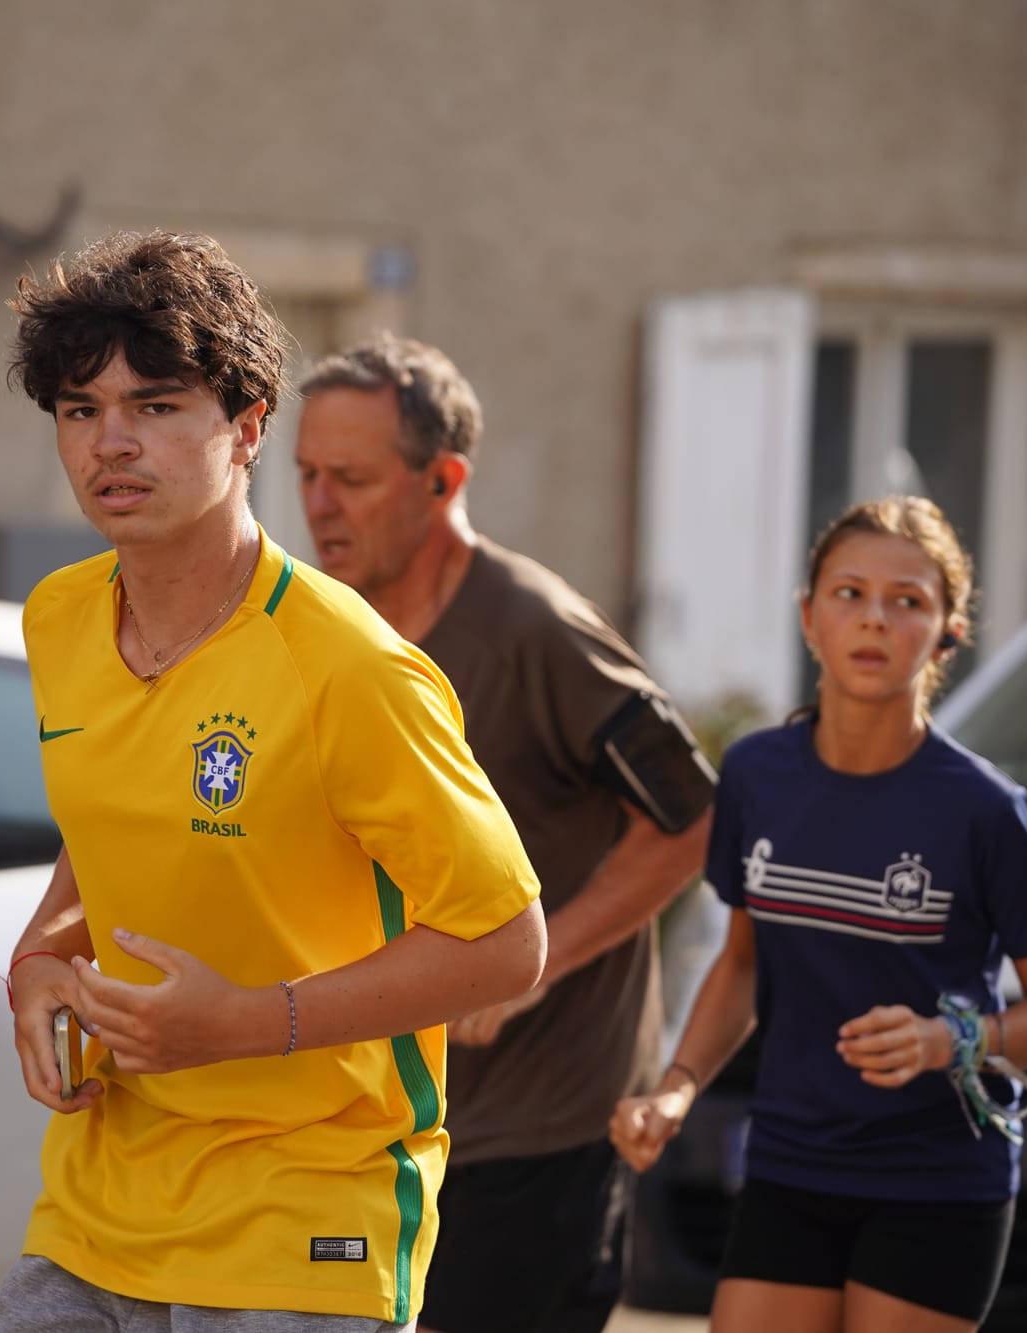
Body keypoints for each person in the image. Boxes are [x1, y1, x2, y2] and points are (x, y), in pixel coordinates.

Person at [0, 231, 546, 1333]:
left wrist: (250, 1021)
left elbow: (506, 944)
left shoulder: (350, 665)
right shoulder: (58, 617)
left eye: (155, 406)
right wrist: (40, 951)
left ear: (245, 429)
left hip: (305, 1218)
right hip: (101, 1203)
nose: (112, 442)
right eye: (78, 409)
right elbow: (111, 820)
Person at [294, 334, 715, 1333]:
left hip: (537, 1132)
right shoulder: (327, 633)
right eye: (305, 473)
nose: (317, 504)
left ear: (442, 480)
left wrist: (532, 962)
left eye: (349, 478)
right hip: (386, 1122)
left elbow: (694, 819)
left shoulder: (534, 629)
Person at [610, 495, 1027, 1333]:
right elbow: (743, 963)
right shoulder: (760, 775)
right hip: (791, 1163)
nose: (874, 619)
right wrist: (677, 1088)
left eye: (908, 601)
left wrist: (953, 1039)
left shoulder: (983, 809)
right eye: (849, 593)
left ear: (948, 632)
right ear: (809, 616)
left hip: (938, 1179)